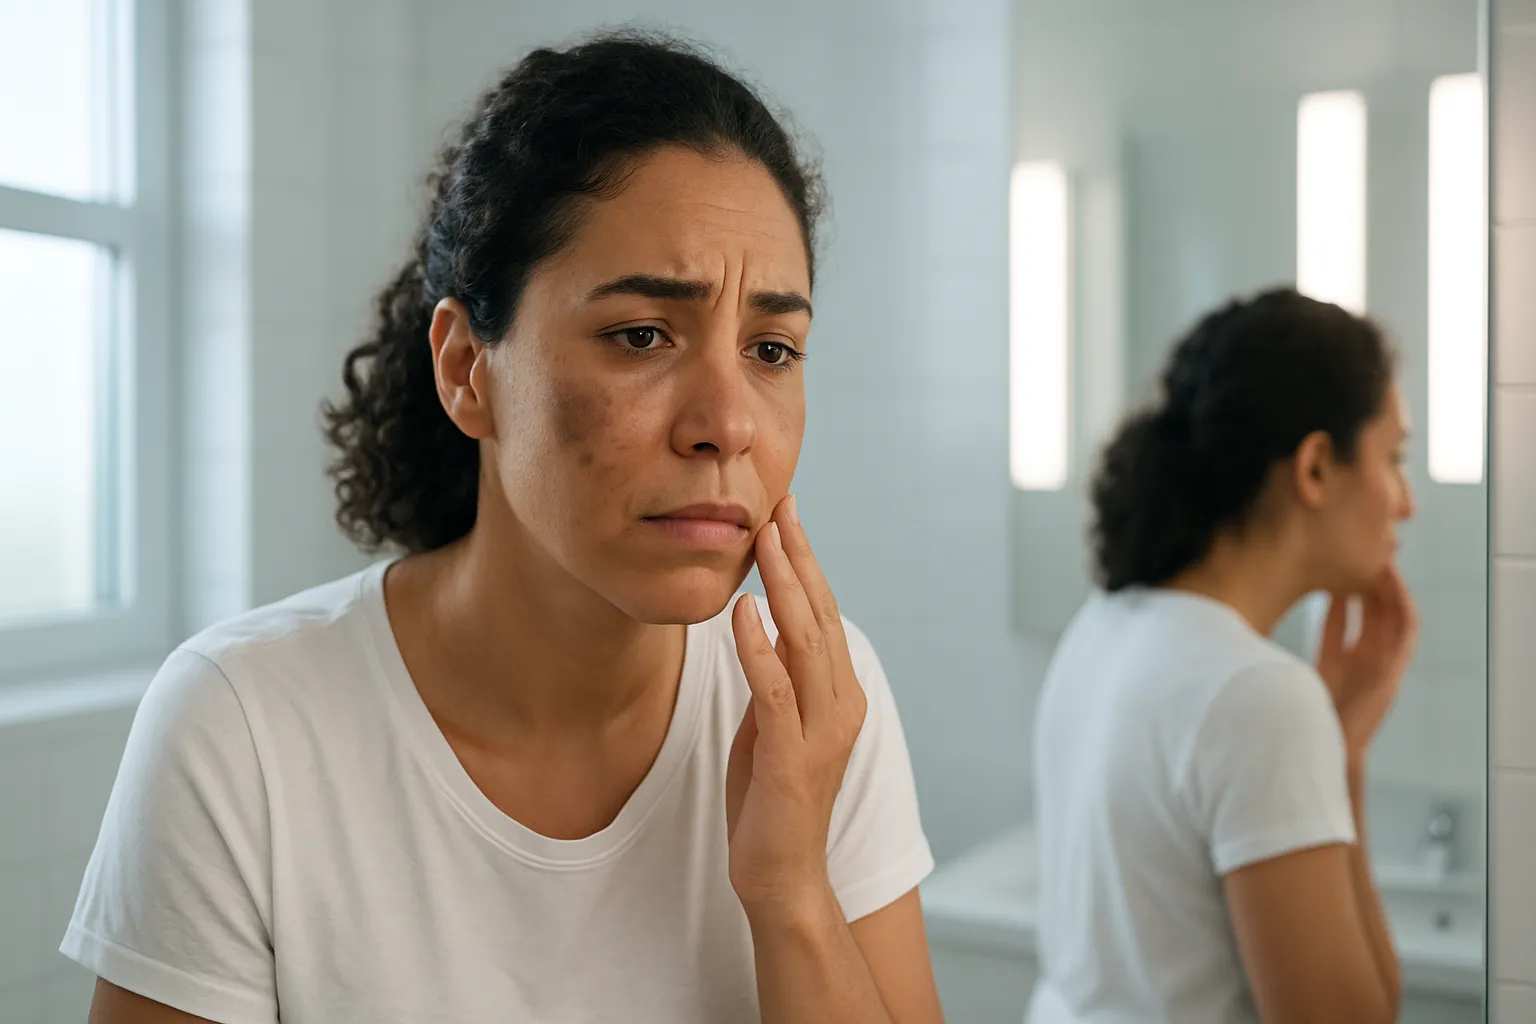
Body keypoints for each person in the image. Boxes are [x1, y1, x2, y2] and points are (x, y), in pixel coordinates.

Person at [64, 33, 942, 1024]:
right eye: (642, 334)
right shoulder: (243, 729)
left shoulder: (815, 707)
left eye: (773, 349)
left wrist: (794, 898)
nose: (729, 423)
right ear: (466, 369)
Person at [1028, 288, 1417, 1024]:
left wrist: (1342, 749)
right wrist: (1332, 749)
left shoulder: (1106, 624)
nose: (1406, 502)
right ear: (1314, 468)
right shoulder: (1260, 695)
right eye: (1393, 458)